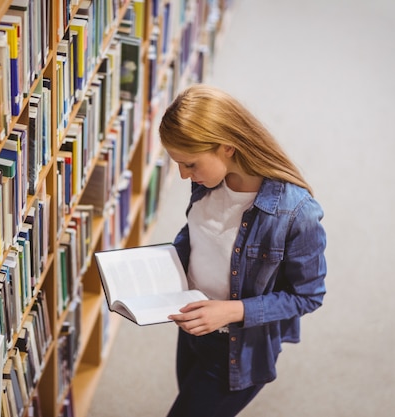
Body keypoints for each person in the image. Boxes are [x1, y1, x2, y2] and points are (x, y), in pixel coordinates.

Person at [159, 84, 327, 417]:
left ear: (228, 148)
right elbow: (198, 232)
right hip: (193, 329)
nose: (182, 175)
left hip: (235, 349)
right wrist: (162, 261)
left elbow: (308, 296)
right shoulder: (208, 181)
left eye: (189, 164)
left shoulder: (296, 214)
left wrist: (231, 311)